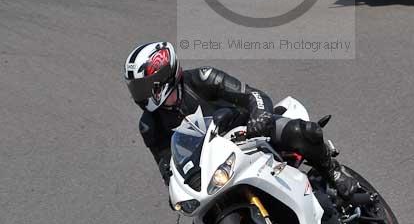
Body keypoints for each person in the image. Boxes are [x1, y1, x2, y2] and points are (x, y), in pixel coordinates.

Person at [123, 41, 358, 203]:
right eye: (136, 89)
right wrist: (177, 190)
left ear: (164, 76)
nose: (141, 95)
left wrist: (260, 116)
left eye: (144, 87)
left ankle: (333, 172)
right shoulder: (149, 126)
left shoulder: (203, 78)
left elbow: (253, 95)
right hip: (215, 165)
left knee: (300, 131)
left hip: (249, 133)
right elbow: (168, 168)